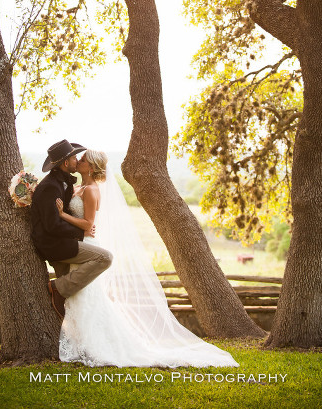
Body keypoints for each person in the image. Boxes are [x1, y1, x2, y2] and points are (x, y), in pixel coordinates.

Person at [55, 149, 239, 368]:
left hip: (88, 246)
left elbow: (88, 224)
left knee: (87, 295)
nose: (79, 161)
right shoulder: (78, 187)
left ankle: (96, 344)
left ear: (92, 167)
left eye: (83, 160)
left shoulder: (92, 190)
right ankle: (80, 339)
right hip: (79, 246)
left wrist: (62, 215)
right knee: (81, 295)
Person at [30, 139, 112, 320]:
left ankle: (71, 332)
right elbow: (52, 225)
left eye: (81, 159)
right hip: (55, 244)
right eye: (76, 158)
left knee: (77, 296)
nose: (77, 160)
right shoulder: (52, 186)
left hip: (66, 240)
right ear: (66, 163)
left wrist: (80, 228)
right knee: (105, 258)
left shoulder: (66, 184)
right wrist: (81, 232)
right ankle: (57, 288)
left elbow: (76, 217)